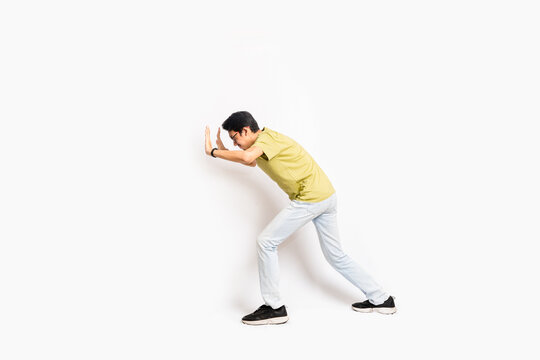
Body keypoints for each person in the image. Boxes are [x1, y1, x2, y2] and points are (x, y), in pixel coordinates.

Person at [204, 111, 396, 325]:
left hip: (311, 198)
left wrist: (213, 152)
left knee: (266, 241)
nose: (235, 144)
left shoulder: (267, 140)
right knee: (336, 256)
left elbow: (247, 157)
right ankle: (382, 299)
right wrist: (223, 151)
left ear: (246, 130)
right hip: (326, 196)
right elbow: (249, 162)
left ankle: (274, 308)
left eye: (235, 138)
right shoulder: (265, 142)